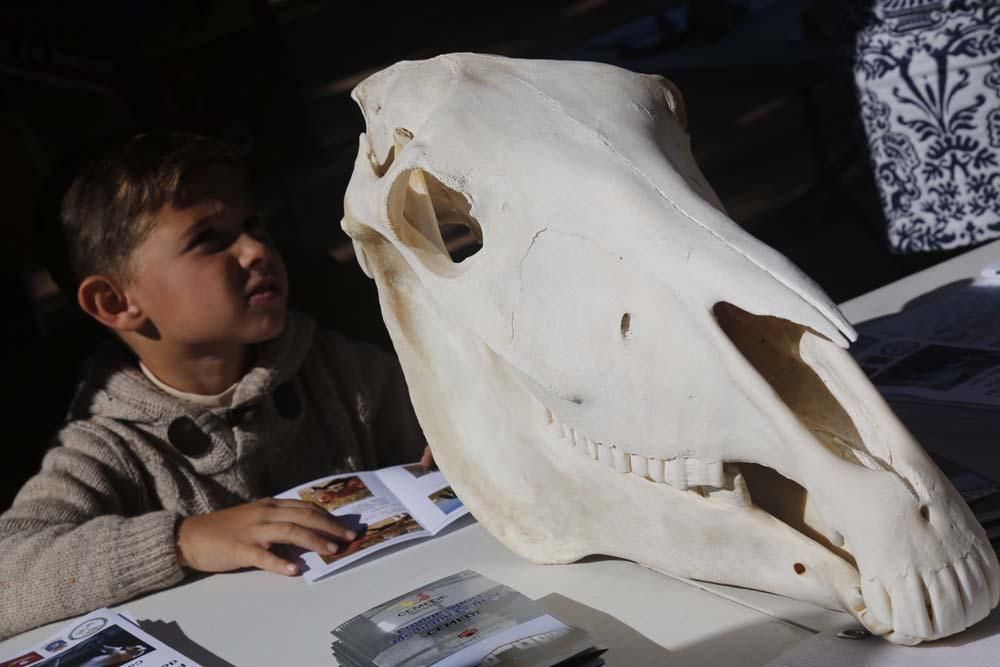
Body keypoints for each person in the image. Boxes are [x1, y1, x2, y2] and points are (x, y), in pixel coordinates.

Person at [0, 132, 432, 639]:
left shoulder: (343, 371)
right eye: (209, 239)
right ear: (115, 303)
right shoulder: (109, 448)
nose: (255, 249)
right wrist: (184, 540)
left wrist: (457, 448)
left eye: (252, 224)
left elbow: (451, 431)